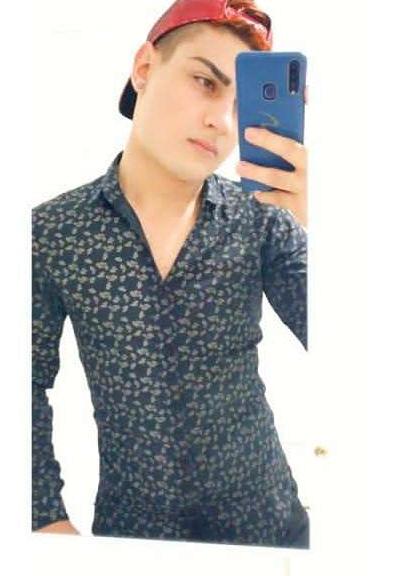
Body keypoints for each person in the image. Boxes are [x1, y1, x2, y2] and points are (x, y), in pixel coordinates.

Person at [32, 0, 309, 549]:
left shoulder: (264, 220)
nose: (222, 123)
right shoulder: (53, 231)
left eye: (240, 106)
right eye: (206, 83)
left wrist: (336, 239)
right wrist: (44, 516)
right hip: (133, 540)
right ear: (144, 67)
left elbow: (358, 357)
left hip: (271, 533)